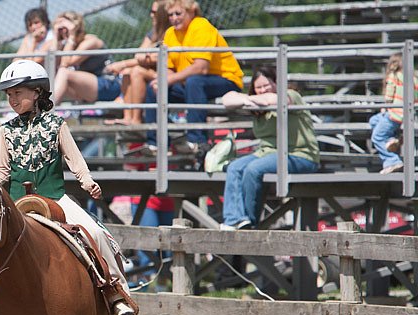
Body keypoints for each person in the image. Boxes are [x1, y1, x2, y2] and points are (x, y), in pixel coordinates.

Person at [0, 60, 138, 315]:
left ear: (37, 92)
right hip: (15, 204)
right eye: (9, 95)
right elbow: (0, 170)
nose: (12, 100)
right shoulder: (6, 130)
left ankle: (115, 291)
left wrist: (87, 181)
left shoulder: (56, 125)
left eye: (18, 93)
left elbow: (75, 159)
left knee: (95, 232)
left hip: (55, 198)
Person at [219, 66, 320, 230]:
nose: (262, 90)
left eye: (266, 85)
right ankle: (235, 219)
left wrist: (249, 100)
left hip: (300, 155)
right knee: (234, 167)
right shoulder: (255, 103)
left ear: (276, 82)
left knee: (253, 169)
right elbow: (227, 99)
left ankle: (250, 223)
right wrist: (247, 99)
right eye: (258, 87)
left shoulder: (291, 95)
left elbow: (271, 100)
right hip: (267, 153)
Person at [143, 0, 244, 155]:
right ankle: (155, 143)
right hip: (191, 84)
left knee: (194, 81)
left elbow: (201, 67)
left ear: (191, 12)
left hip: (225, 80)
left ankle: (196, 140)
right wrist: (163, 82)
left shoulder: (201, 26)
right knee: (154, 88)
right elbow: (168, 68)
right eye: (170, 14)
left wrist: (168, 80)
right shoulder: (170, 33)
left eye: (178, 13)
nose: (174, 18)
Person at [104, 1, 171, 126]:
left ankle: (136, 119)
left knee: (136, 71)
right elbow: (139, 54)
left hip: (167, 73)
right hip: (152, 71)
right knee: (127, 72)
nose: (151, 15)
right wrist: (143, 58)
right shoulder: (154, 32)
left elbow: (159, 58)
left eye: (154, 12)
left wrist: (123, 63)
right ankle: (128, 117)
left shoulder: (171, 32)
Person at [51, 11, 122, 105]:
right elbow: (51, 65)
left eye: (65, 28)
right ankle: (49, 113)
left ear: (76, 27)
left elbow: (65, 63)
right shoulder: (67, 44)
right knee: (53, 74)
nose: (63, 32)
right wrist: (56, 38)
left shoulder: (90, 41)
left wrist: (71, 35)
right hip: (89, 87)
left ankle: (48, 111)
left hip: (109, 84)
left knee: (64, 72)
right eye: (60, 29)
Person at [369, 53, 417, 174]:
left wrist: (385, 107)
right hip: (407, 115)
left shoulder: (394, 76)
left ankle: (392, 160)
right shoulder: (414, 77)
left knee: (377, 136)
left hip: (395, 113)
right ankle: (391, 140)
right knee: (374, 120)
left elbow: (389, 95)